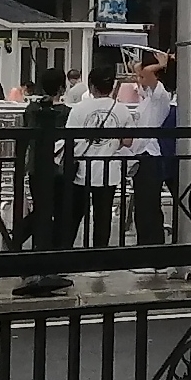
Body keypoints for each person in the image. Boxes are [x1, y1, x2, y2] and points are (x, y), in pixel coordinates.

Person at [14, 62, 74, 296]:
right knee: (56, 211)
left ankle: (21, 240)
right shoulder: (65, 113)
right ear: (62, 87)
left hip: (34, 166)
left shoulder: (31, 109)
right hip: (58, 169)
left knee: (41, 209)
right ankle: (46, 257)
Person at [66, 60, 132, 245]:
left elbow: (69, 138)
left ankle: (66, 250)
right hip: (109, 171)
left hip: (81, 170)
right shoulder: (121, 109)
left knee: (74, 215)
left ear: (92, 86)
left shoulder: (79, 109)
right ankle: (99, 254)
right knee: (103, 217)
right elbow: (128, 141)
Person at [126, 55, 176, 246]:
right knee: (142, 205)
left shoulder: (160, 96)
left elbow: (146, 72)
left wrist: (161, 64)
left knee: (149, 205)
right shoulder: (147, 97)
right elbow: (141, 72)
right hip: (141, 154)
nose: (140, 80)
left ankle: (153, 245)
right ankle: (144, 244)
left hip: (151, 155)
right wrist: (137, 66)